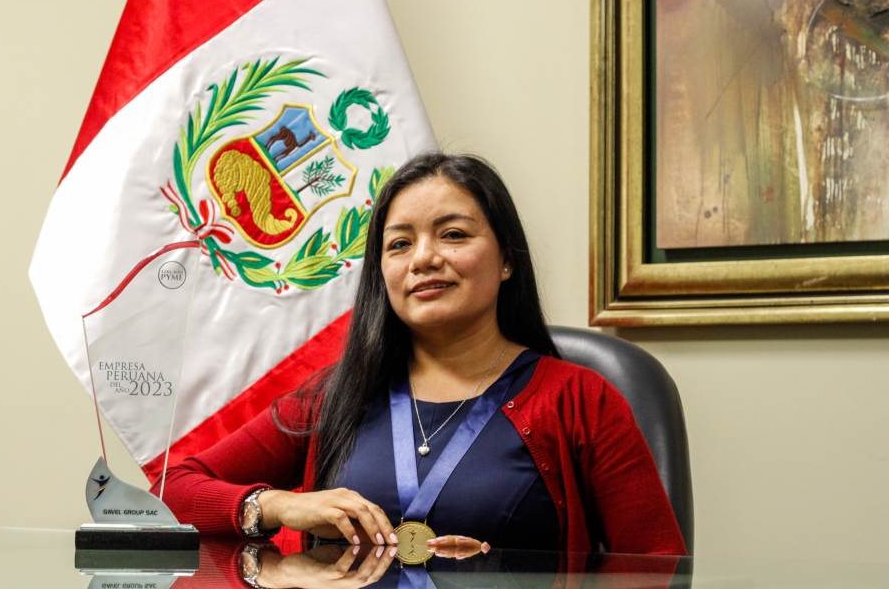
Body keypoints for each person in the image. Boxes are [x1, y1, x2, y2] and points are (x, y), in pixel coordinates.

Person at [154, 153, 687, 560]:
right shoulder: (336, 395)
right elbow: (170, 492)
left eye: (453, 235)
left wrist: (502, 566)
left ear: (506, 260)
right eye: (399, 244)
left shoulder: (580, 399)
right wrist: (277, 505)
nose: (424, 258)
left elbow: (658, 568)